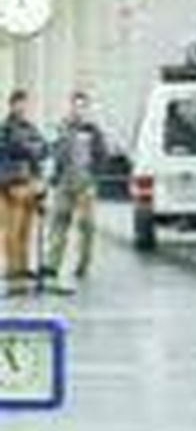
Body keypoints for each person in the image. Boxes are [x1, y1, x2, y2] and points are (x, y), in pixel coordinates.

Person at [43, 89, 109, 291]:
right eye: (75, 105)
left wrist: (94, 176)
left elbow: (102, 154)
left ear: (86, 108)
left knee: (86, 225)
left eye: (82, 105)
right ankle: (52, 265)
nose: (78, 109)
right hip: (64, 182)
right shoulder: (61, 127)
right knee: (58, 223)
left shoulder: (93, 130)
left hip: (85, 182)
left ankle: (83, 264)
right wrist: (51, 177)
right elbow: (52, 152)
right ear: (69, 106)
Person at [0, 88, 46, 291]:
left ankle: (24, 268)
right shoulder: (5, 128)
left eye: (25, 103)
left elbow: (44, 148)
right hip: (10, 186)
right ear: (12, 105)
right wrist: (30, 148)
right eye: (19, 103)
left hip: (29, 184)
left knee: (26, 231)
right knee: (12, 232)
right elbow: (14, 148)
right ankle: (12, 271)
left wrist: (31, 148)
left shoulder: (31, 127)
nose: (22, 107)